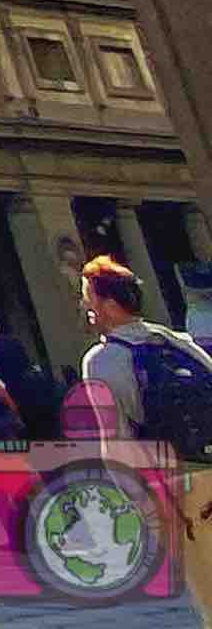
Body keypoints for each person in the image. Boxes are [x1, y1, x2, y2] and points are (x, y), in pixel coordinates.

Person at [77, 255, 212, 629]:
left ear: (107, 303)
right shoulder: (178, 342)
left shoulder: (103, 360)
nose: (85, 306)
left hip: (179, 488)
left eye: (88, 296)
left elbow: (115, 442)